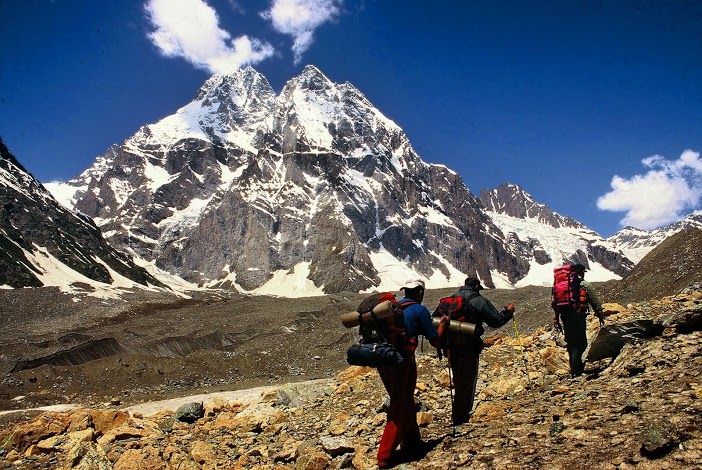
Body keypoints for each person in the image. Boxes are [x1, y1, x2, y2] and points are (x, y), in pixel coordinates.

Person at [376, 279, 448, 468]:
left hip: (383, 359)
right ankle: (384, 456)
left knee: (404, 400)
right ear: (420, 293)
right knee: (400, 404)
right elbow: (436, 341)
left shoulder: (392, 308)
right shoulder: (419, 310)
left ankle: (412, 443)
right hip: (402, 360)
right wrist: (443, 325)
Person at [441, 277, 515, 426]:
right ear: (476, 286)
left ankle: (458, 414)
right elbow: (495, 320)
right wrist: (508, 312)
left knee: (458, 379)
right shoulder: (476, 300)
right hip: (468, 346)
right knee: (468, 381)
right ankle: (461, 418)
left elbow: (436, 319)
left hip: (450, 346)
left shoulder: (451, 300)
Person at [552, 263, 604, 377]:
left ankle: (574, 368)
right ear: (581, 273)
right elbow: (594, 301)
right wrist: (600, 314)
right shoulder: (583, 284)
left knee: (571, 342)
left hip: (564, 316)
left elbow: (554, 303)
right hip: (578, 315)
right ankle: (577, 370)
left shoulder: (558, 285)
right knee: (581, 342)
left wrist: (556, 319)